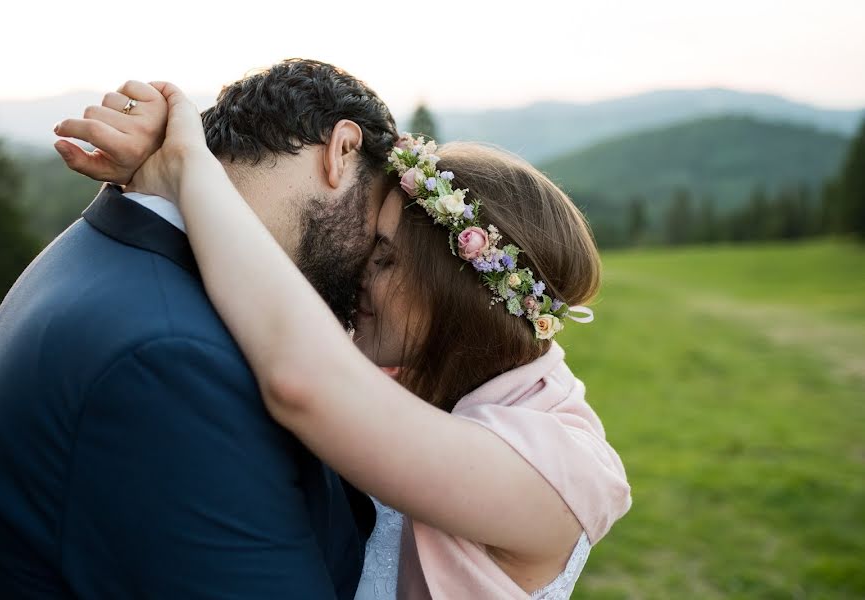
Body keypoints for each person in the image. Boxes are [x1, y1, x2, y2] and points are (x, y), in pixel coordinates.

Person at [60, 81, 632, 599]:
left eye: (384, 258)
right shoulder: (414, 372)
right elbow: (273, 297)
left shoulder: (563, 470)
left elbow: (300, 380)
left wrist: (190, 167)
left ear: (460, 293)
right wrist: (163, 167)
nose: (360, 273)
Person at [0, 59, 396, 599]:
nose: (372, 269)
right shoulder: (172, 359)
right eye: (380, 235)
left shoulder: (121, 254)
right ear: (342, 151)